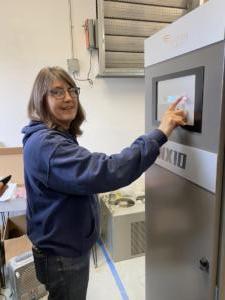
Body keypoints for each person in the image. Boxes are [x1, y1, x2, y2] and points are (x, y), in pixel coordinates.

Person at [22, 66, 186, 300]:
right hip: (62, 256)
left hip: (62, 249)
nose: (68, 98)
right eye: (57, 92)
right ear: (41, 99)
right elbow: (106, 171)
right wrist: (160, 133)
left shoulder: (53, 137)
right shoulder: (48, 145)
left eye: (72, 90)